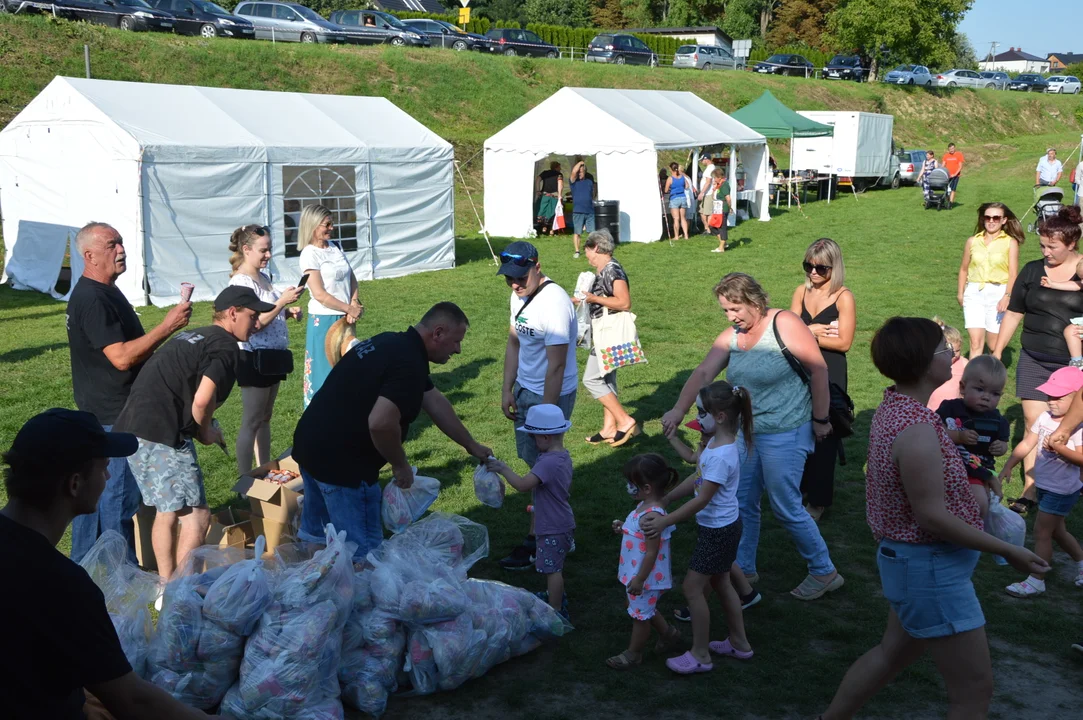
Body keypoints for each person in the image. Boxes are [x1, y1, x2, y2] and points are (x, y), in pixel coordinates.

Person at [817, 317, 1048, 720]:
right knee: (974, 689)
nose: (953, 353)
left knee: (891, 655)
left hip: (916, 567)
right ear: (925, 363)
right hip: (930, 570)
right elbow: (932, 517)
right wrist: (1009, 551)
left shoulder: (898, 406)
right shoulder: (918, 427)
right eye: (944, 348)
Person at [0, 409, 212, 719]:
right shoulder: (62, 585)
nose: (109, 477)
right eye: (104, 468)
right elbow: (134, 702)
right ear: (74, 484)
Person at [661, 273, 843, 600]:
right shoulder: (733, 336)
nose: (731, 317)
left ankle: (824, 570)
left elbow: (818, 369)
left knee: (786, 504)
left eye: (735, 309)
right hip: (747, 433)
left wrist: (820, 419)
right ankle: (743, 569)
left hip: (787, 430)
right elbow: (704, 372)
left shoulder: (784, 323)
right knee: (741, 502)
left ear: (754, 301)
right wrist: (678, 409)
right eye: (725, 311)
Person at [292, 303, 491, 557]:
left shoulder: (393, 343)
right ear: (438, 333)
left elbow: (434, 401)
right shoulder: (409, 364)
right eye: (456, 341)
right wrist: (400, 465)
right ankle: (355, 595)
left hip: (311, 446)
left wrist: (471, 445)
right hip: (342, 464)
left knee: (317, 537)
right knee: (360, 554)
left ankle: (308, 592)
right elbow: (381, 423)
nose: (459, 350)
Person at [112, 286, 272, 580]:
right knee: (196, 516)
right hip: (163, 432)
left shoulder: (195, 335)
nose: (257, 322)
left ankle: (165, 585)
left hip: (133, 427)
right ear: (233, 313)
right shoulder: (225, 348)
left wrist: (202, 424)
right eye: (252, 315)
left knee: (167, 510)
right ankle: (181, 591)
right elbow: (202, 400)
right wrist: (204, 432)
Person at [65, 221, 192, 564]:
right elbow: (120, 357)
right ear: (90, 255)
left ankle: (84, 566)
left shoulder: (104, 290)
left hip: (106, 410)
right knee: (117, 499)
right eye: (112, 245)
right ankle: (122, 578)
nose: (121, 250)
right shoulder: (93, 298)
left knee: (95, 499)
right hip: (115, 414)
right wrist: (167, 327)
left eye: (121, 242)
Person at [645, 381, 754, 674]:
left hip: (718, 532)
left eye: (701, 412)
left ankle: (700, 654)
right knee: (721, 582)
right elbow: (697, 472)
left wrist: (665, 520)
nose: (697, 417)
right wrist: (667, 497)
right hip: (724, 528)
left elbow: (702, 499)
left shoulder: (721, 455)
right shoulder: (715, 444)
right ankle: (739, 643)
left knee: (692, 587)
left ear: (719, 416)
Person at [993, 205, 1083, 514]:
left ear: (1072, 244)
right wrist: (996, 352)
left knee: (1070, 428)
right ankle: (1032, 490)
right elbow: (1015, 311)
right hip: (1034, 358)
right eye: (1042, 245)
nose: (1045, 252)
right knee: (1035, 424)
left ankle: (1070, 482)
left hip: (1072, 366)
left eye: (1052, 246)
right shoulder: (1031, 271)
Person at [496, 242, 579, 570]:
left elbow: (556, 366)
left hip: (551, 394)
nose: (515, 284)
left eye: (520, 277)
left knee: (542, 473)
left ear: (537, 266)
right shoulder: (517, 296)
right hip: (526, 390)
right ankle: (559, 532)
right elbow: (514, 342)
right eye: (509, 279)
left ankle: (539, 540)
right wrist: (507, 388)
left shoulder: (555, 303)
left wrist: (545, 418)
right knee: (537, 467)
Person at [998, 367, 1083, 597]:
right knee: (1057, 532)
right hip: (1045, 486)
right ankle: (1082, 563)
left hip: (1062, 490)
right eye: (1049, 395)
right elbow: (1028, 444)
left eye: (1058, 396)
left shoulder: (1077, 428)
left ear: (1077, 398)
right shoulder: (1045, 417)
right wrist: (1009, 465)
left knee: (1041, 532)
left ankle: (1037, 580)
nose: (1051, 401)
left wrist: (1060, 448)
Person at [227, 224, 304, 474]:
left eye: (269, 249)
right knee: (251, 421)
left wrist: (287, 311)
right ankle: (244, 478)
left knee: (265, 419)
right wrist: (282, 302)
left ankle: (263, 469)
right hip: (253, 358)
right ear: (247, 249)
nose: (268, 255)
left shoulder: (264, 277)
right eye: (263, 250)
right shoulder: (241, 283)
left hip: (271, 358)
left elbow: (267, 312)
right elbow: (252, 325)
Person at [485, 404, 573, 618]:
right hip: (560, 521)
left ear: (545, 438)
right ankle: (554, 597)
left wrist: (503, 469)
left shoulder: (548, 462)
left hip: (553, 526)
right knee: (552, 566)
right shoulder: (561, 456)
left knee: (553, 570)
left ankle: (556, 610)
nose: (533, 441)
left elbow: (524, 485)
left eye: (533, 437)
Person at [790, 239, 854, 521]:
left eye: (821, 268)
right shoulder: (800, 292)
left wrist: (811, 333)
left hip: (831, 371)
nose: (813, 273)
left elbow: (844, 343)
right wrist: (812, 330)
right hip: (801, 370)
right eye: (809, 266)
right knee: (800, 431)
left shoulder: (844, 297)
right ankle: (802, 489)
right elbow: (788, 332)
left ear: (834, 267)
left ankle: (818, 501)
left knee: (825, 434)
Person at [605, 453, 682, 670]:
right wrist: (625, 528)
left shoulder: (652, 516)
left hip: (645, 577)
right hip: (639, 574)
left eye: (632, 484)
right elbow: (640, 536)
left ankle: (634, 654)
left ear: (647, 488)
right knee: (640, 607)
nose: (628, 487)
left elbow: (651, 553)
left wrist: (639, 580)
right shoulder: (644, 507)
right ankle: (669, 634)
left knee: (639, 616)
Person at [575, 229, 638, 447]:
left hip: (610, 332)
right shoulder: (604, 271)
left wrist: (593, 298)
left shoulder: (613, 270)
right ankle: (609, 428)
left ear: (597, 248)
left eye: (588, 250)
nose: (587, 256)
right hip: (604, 331)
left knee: (591, 379)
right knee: (607, 378)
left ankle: (625, 420)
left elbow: (624, 302)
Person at [299, 204, 362, 408]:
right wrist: (348, 308)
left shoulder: (336, 246)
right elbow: (319, 294)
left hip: (346, 317)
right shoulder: (309, 254)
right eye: (327, 224)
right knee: (324, 372)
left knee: (346, 370)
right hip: (324, 319)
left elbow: (351, 276)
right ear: (314, 226)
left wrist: (354, 302)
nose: (331, 228)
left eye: (331, 223)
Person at [935, 355, 1010, 518]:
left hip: (984, 470)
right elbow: (935, 432)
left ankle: (974, 534)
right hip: (956, 469)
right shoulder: (950, 409)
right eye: (980, 389)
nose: (986, 397)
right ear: (963, 387)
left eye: (995, 393)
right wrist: (958, 436)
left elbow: (1004, 443)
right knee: (978, 503)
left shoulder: (998, 421)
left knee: (984, 504)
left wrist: (1001, 447)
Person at [956, 202, 1024, 357]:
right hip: (974, 292)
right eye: (987, 217)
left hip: (998, 293)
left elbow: (1013, 273)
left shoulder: (1010, 243)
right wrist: (960, 293)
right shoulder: (972, 241)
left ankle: (991, 377)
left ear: (1004, 220)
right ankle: (972, 380)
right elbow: (964, 269)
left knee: (993, 346)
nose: (991, 221)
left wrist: (1007, 296)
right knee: (975, 343)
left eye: (996, 217)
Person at [927, 319, 967, 411]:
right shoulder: (932, 363)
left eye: (957, 351)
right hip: (931, 409)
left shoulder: (964, 364)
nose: (955, 354)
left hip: (954, 412)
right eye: (949, 351)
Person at [569, 157, 596, 258]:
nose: (579, 173)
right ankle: (577, 251)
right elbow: (573, 171)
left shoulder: (589, 181)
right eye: (578, 172)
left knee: (592, 233)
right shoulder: (573, 182)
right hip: (578, 211)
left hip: (590, 211)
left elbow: (593, 191)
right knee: (577, 232)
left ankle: (591, 249)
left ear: (585, 172)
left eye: (581, 172)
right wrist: (580, 162)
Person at [535, 161, 564, 236]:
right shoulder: (559, 175)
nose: (560, 168)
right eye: (559, 167)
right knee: (552, 213)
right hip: (554, 196)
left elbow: (537, 179)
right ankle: (551, 230)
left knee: (542, 212)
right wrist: (560, 195)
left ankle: (543, 228)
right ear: (556, 167)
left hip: (544, 195)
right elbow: (560, 184)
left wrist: (538, 190)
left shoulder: (545, 173)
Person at [664, 162, 691, 241]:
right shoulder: (682, 177)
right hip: (683, 197)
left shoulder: (670, 178)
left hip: (674, 198)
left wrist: (671, 188)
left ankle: (676, 236)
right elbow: (687, 186)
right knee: (683, 218)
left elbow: (666, 190)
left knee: (676, 218)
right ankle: (686, 235)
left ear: (670, 169)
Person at [707, 168, 731, 254]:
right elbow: (713, 197)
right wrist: (714, 189)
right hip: (717, 209)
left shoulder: (724, 185)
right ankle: (724, 243)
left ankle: (721, 247)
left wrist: (730, 207)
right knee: (712, 226)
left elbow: (728, 198)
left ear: (719, 177)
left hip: (723, 208)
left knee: (722, 227)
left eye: (715, 177)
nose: (714, 179)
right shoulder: (718, 185)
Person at [697, 155, 717, 232]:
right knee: (702, 211)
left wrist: (702, 193)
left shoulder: (710, 168)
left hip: (708, 193)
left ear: (706, 159)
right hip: (706, 193)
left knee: (708, 213)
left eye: (702, 160)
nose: (701, 162)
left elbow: (708, 182)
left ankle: (709, 229)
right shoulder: (709, 168)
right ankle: (707, 228)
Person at [941, 142, 964, 207]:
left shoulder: (959, 155)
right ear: (948, 149)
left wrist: (955, 174)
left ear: (955, 148)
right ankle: (947, 201)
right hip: (947, 175)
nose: (952, 150)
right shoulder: (946, 155)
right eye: (950, 148)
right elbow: (943, 165)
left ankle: (950, 203)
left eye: (953, 148)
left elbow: (960, 166)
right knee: (947, 189)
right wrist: (940, 172)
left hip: (955, 176)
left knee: (953, 189)